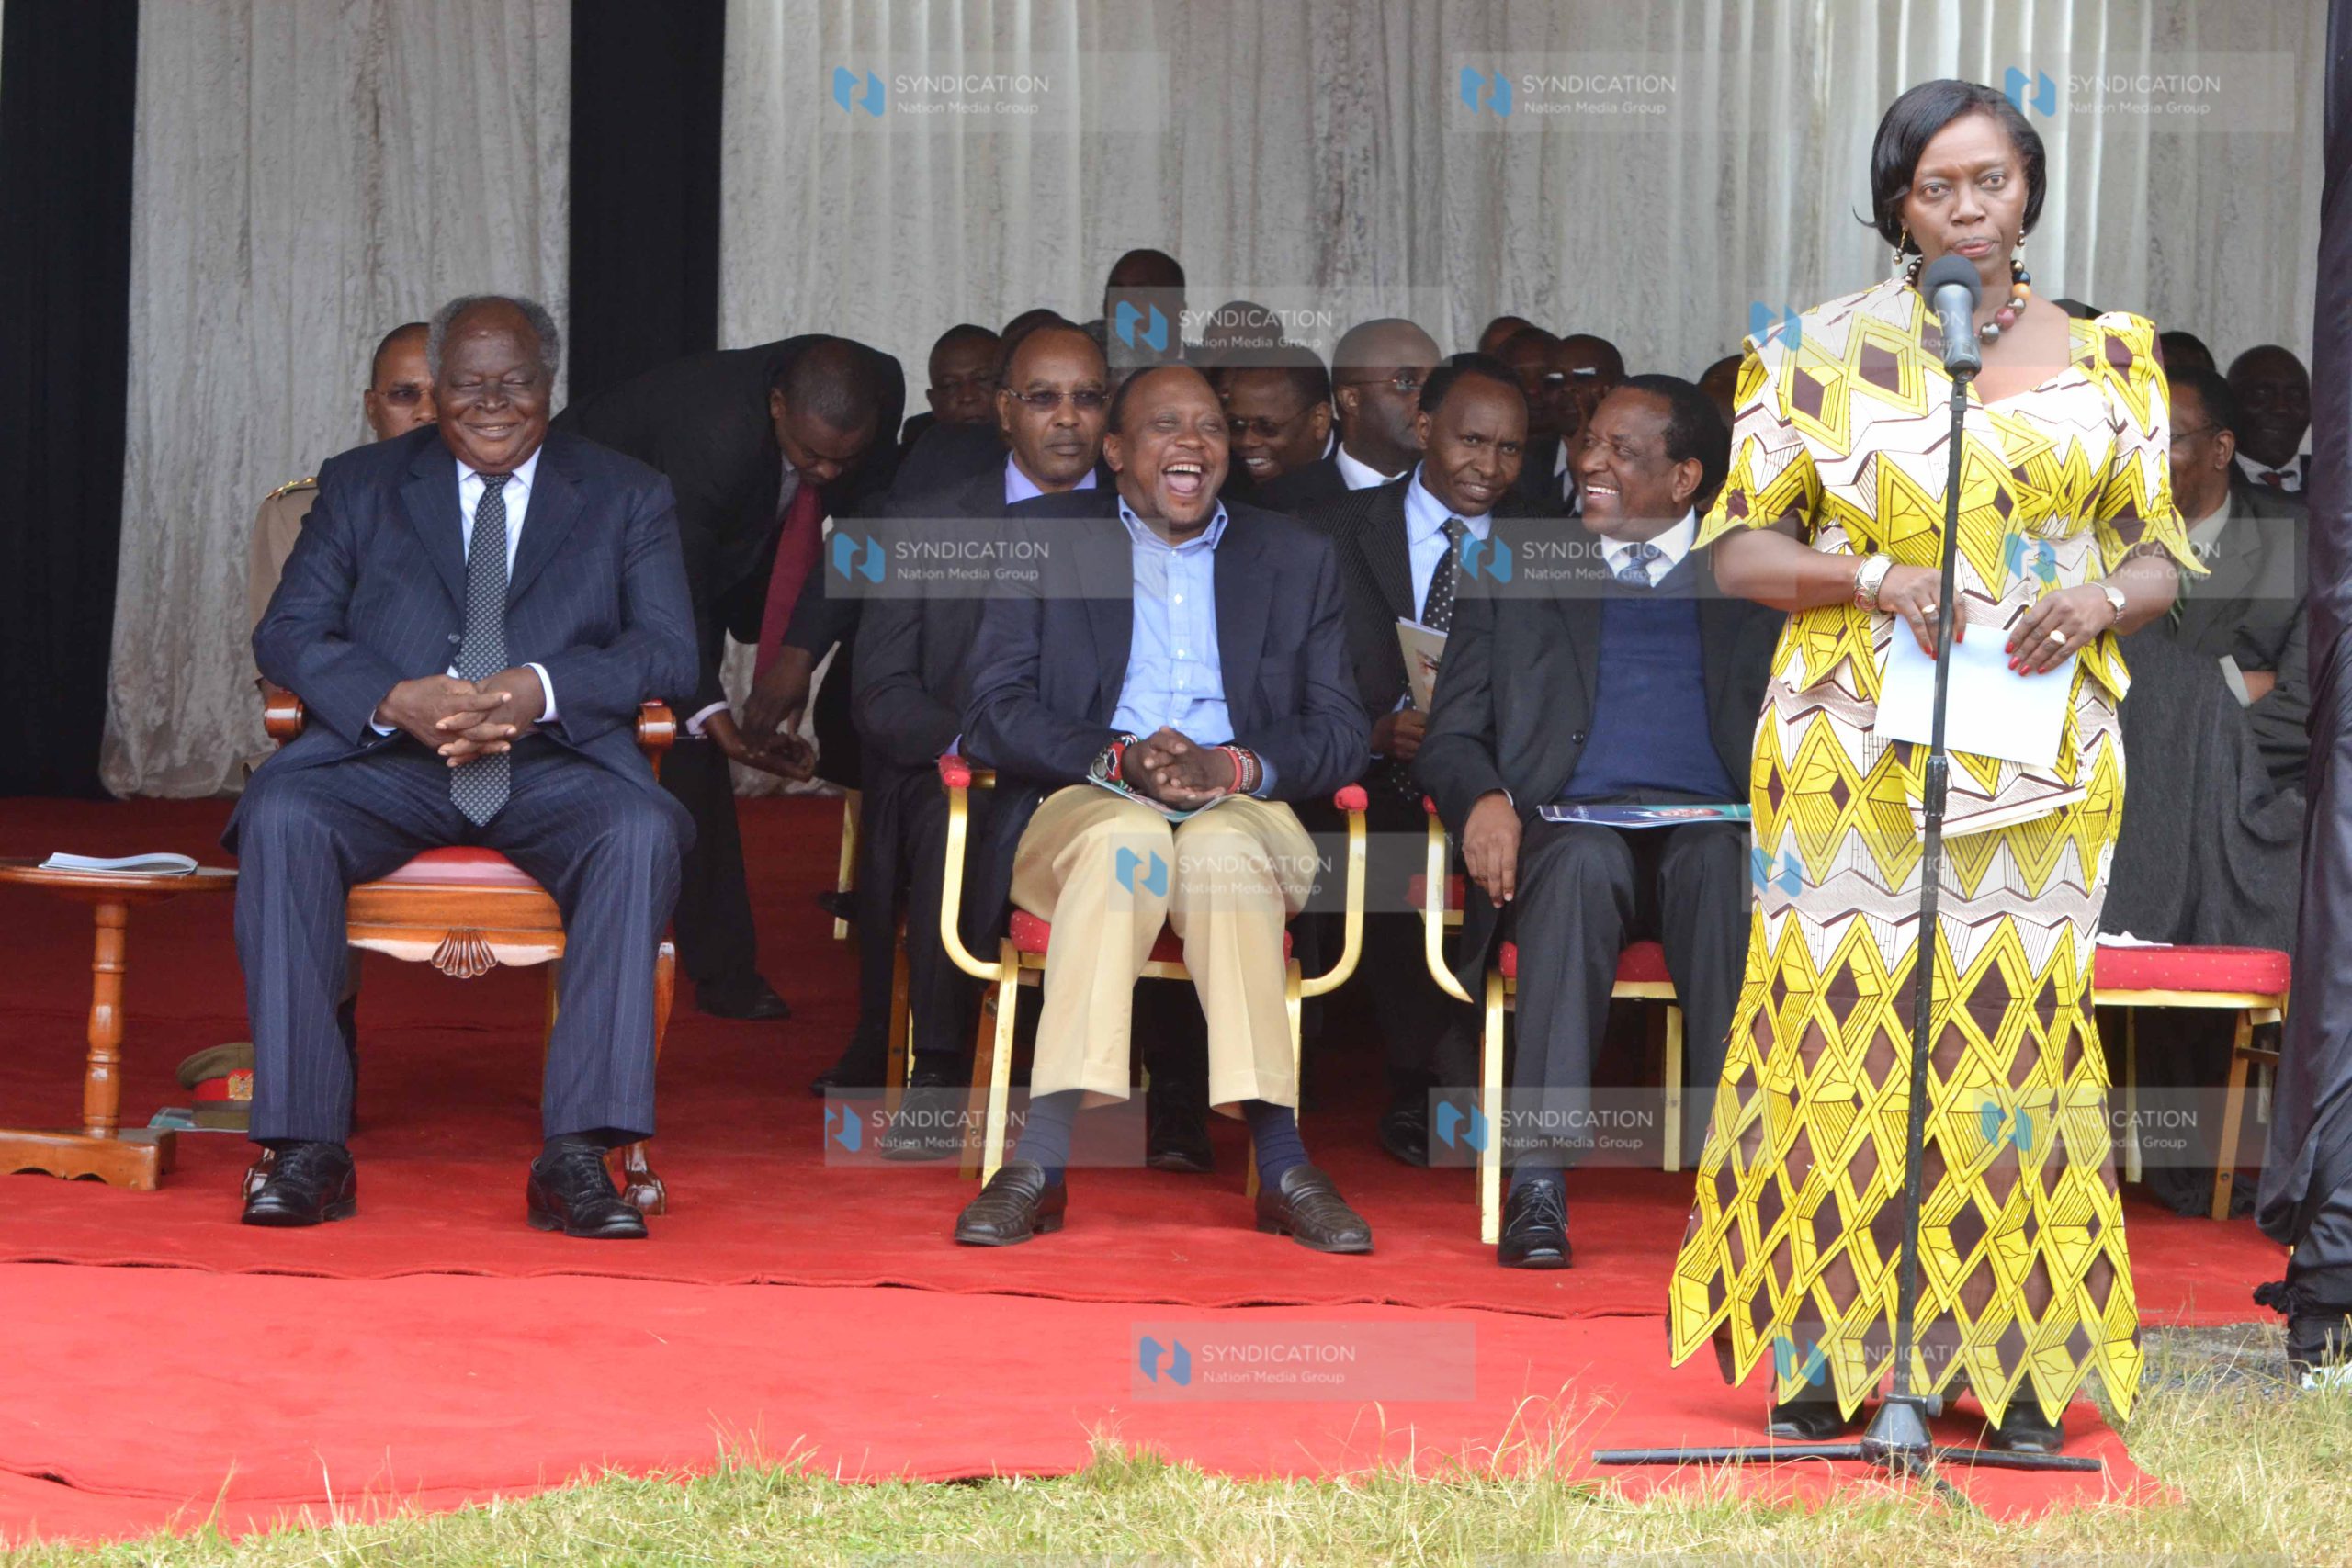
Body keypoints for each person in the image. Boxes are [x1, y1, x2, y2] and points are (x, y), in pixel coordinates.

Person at [1668, 80, 2193, 1452]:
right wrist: (1869, 572)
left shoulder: (2117, 353)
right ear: (1896, 205)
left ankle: (2014, 1366)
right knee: (1839, 1040)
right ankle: (1834, 1358)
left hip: (2040, 752)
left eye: (1992, 181)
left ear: (2030, 189)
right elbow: (1739, 552)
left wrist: (2097, 602)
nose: (1968, 208)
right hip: (1846, 750)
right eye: (1935, 188)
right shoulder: (1807, 350)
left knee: (2004, 1043)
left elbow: (2157, 552)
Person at [232, 294, 697, 1238]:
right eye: (468, 384)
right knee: (283, 814)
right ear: (435, 391)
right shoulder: (362, 484)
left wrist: (538, 687)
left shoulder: (626, 491)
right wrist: (390, 695)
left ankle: (579, 1156)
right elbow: (286, 632)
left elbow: (669, 653)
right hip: (390, 760)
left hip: (549, 760)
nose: (492, 403)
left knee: (641, 829)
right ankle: (304, 1148)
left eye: (514, 382)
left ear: (548, 386)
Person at [950, 364, 1373, 1251]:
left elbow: (1340, 731)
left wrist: (1232, 765)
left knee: (1219, 853)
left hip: (1241, 807)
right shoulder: (1041, 539)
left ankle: (1284, 1163)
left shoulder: (1295, 556)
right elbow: (991, 710)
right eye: (1163, 425)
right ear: (1113, 452)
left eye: (1209, 426)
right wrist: (1118, 758)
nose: (1192, 442)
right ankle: (1042, 1162)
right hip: (1087, 798)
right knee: (1126, 839)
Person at [1420, 377, 1779, 1265]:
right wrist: (1484, 798)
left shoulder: (1757, 572)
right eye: (1589, 443)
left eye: (1622, 451)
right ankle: (1537, 1182)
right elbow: (1450, 734)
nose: (1588, 461)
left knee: (1715, 866)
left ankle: (1741, 1187)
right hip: (1569, 833)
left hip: (1716, 829)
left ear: (1687, 476)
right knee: (1579, 862)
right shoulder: (1514, 558)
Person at [553, 334, 903, 1021]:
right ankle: (722, 969)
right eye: (811, 456)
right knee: (687, 745)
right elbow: (671, 594)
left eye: (845, 456)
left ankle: (724, 963)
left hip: (734, 541)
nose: (828, 472)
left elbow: (866, 532)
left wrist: (799, 656)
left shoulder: (876, 387)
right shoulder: (709, 432)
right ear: (777, 407)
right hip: (586, 542)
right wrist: (718, 717)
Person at [842, 322, 1112, 1142]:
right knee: (947, 822)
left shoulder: (1151, 522)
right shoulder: (927, 521)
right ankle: (941, 1070)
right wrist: (990, 743)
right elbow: (880, 694)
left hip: (1105, 777)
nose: (1067, 419)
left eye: (1088, 399)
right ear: (1004, 411)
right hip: (967, 766)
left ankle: (1150, 1092)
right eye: (1043, 398)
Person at [1306, 354, 1531, 1165]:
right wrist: (1373, 730)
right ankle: (1418, 1082)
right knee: (1396, 853)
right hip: (1364, 775)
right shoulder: (1332, 529)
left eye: (1510, 449)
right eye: (1472, 440)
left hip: (1495, 781)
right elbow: (1290, 671)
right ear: (1425, 427)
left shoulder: (1544, 544)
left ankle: (1479, 1081)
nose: (1490, 467)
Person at [2164, 366, 2311, 790]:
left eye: (2166, 439)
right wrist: (2234, 683)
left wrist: (2171, 751)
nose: (2143, 457)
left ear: (2221, 449)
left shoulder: (2299, 542)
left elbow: (2304, 707)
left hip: (2242, 810)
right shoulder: (2100, 538)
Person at [246, 322, 436, 629]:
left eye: (444, 393)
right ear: (372, 409)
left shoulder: (503, 500)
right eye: (404, 394)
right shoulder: (302, 510)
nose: (427, 412)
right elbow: (279, 664)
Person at [1257, 317, 1443, 515]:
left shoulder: (1459, 493)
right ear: (1351, 399)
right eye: (1406, 381)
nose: (1428, 398)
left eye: (1435, 382)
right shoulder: (1278, 507)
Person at [1216, 346, 1333, 498]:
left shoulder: (1360, 471)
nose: (1247, 441)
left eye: (1266, 426)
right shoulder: (1223, 477)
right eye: (1236, 425)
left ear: (1319, 420)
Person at [896, 323, 1001, 456]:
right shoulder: (915, 463)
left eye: (982, 379)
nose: (967, 397)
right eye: (950, 385)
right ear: (933, 402)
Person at [2227, 344, 2312, 495]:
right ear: (2228, 402)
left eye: (2295, 395)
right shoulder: (2204, 485)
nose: (2281, 408)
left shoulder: (2337, 481)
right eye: (2261, 394)